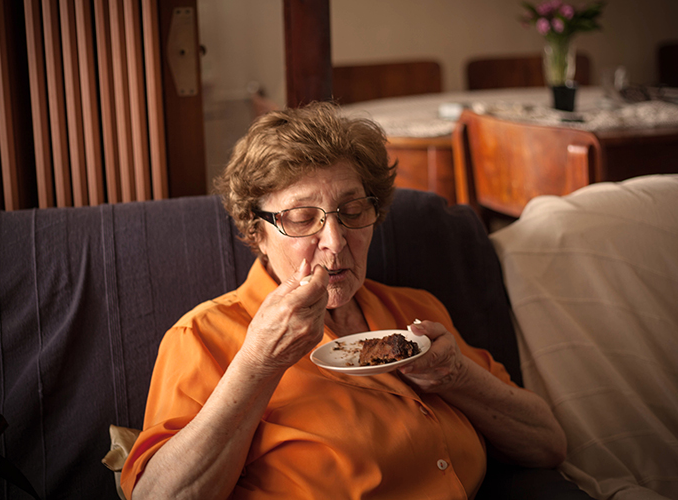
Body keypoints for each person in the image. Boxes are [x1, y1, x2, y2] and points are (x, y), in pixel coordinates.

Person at [121, 102, 566, 500]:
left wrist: (454, 375)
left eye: (353, 212)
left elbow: (547, 443)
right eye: (301, 219)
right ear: (257, 234)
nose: (335, 242)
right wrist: (259, 363)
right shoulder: (203, 336)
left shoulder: (415, 310)